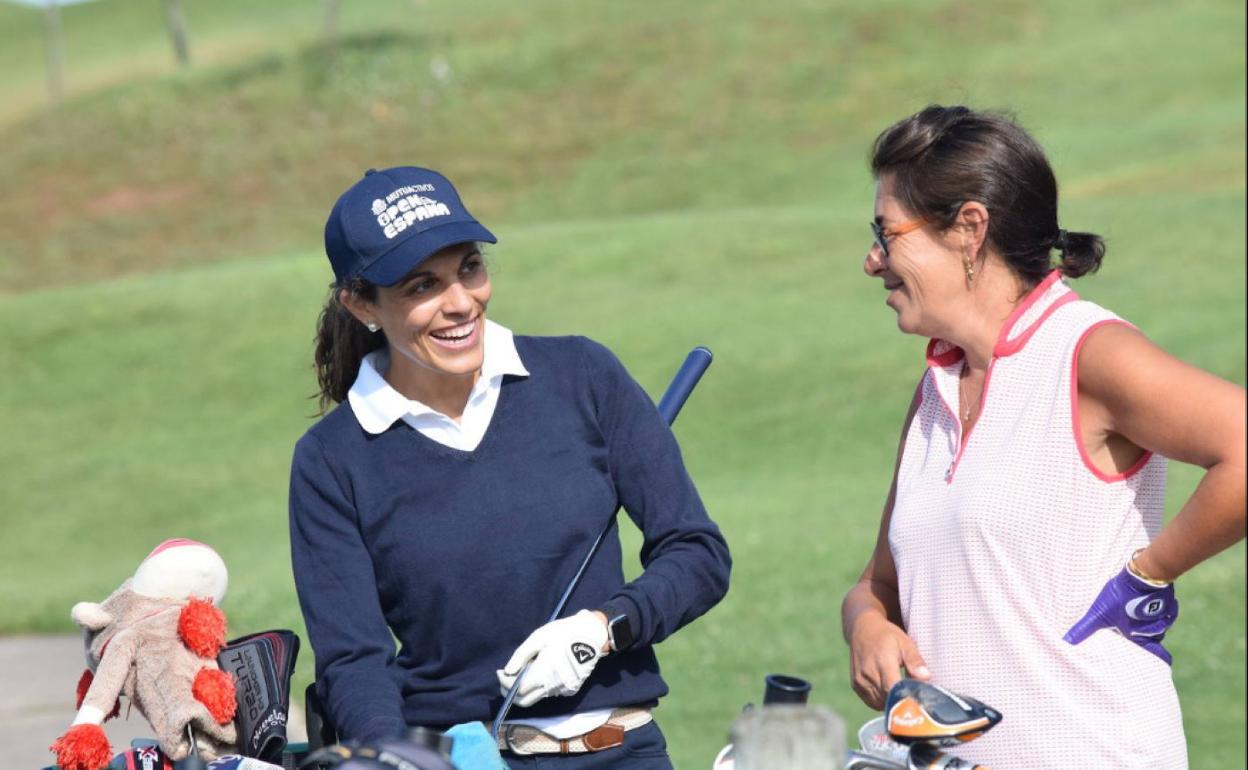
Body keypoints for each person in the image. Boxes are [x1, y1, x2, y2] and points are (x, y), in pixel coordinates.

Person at [839, 105, 1245, 769]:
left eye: (887, 234)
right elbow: (877, 583)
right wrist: (867, 626)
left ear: (969, 229)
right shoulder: (935, 390)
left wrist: (1151, 573)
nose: (871, 260)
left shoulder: (1085, 352)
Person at [288, 166, 731, 769]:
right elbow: (354, 660)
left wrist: (603, 628)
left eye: (469, 268)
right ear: (361, 303)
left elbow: (697, 554)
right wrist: (393, 757)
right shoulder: (331, 460)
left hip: (624, 751)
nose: (460, 303)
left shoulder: (584, 375)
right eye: (422, 286)